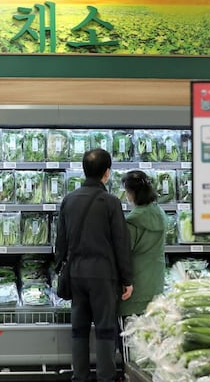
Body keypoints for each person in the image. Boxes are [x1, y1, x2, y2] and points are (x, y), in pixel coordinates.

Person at [55, 148, 133, 382]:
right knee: (105, 329)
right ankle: (105, 377)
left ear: (83, 170)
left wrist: (60, 267)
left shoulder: (69, 200)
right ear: (107, 173)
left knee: (78, 329)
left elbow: (60, 241)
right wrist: (127, 279)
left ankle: (79, 376)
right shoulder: (111, 202)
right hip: (103, 275)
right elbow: (121, 243)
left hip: (76, 273)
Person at [117, 170, 167, 362]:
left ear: (132, 193)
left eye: (126, 191)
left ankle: (130, 372)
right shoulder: (160, 214)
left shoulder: (133, 222)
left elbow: (124, 253)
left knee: (130, 338)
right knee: (150, 339)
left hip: (134, 286)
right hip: (155, 282)